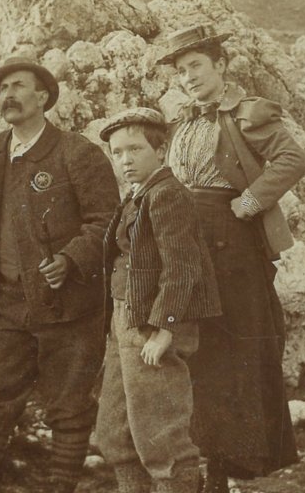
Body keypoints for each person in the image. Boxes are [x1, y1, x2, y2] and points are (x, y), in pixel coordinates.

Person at [0, 57, 120, 493]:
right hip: (5, 303)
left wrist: (70, 258)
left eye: (18, 86)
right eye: (2, 89)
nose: (7, 95)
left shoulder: (77, 152)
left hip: (69, 307)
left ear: (43, 95)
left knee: (68, 409)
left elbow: (107, 222)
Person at [157, 24, 305, 492]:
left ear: (221, 65)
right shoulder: (180, 121)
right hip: (186, 239)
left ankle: (226, 467)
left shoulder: (248, 114)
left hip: (233, 246)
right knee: (194, 348)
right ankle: (198, 462)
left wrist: (249, 202)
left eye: (196, 66)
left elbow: (293, 159)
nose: (188, 78)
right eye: (181, 71)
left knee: (233, 351)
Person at [95, 108, 221, 493]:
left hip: (155, 323)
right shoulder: (138, 194)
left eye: (134, 149)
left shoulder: (167, 194)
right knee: (116, 432)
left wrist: (165, 330)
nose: (125, 159)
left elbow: (182, 267)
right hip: (126, 321)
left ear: (161, 150)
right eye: (117, 152)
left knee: (160, 436)